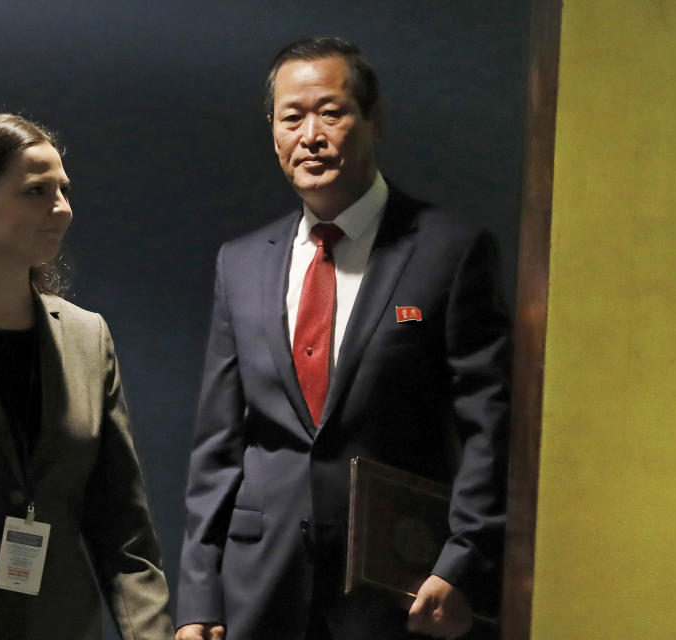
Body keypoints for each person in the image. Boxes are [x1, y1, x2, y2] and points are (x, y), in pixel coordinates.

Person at [176, 36, 510, 640]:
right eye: (292, 117)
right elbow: (217, 446)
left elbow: (490, 429)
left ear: (374, 119)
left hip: (397, 586)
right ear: (274, 133)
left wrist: (463, 561)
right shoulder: (242, 263)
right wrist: (199, 594)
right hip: (258, 585)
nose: (311, 135)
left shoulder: (450, 251)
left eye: (331, 112)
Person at [0, 114, 174, 639]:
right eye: (36, 191)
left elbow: (124, 530)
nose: (61, 209)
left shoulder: (87, 338)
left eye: (63, 190)